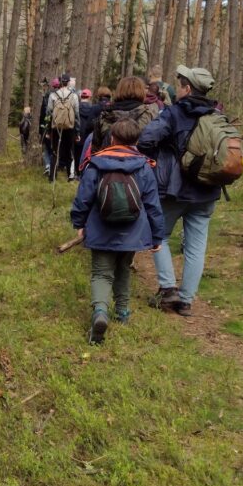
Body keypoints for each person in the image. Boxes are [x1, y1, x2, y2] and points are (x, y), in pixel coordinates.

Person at [137, 65, 230, 317]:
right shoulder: (217, 114)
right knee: (196, 246)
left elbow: (145, 140)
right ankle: (186, 300)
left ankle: (168, 289)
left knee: (159, 234)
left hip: (175, 191)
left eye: (179, 85)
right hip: (207, 191)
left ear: (187, 89)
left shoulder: (174, 113)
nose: (177, 89)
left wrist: (159, 158)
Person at [71, 118, 165, 343]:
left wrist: (79, 223)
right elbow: (153, 204)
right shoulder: (143, 166)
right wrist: (157, 235)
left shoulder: (96, 163)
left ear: (112, 138)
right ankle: (122, 312)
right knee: (123, 269)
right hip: (133, 232)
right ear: (136, 141)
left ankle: (100, 312)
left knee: (101, 273)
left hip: (100, 229)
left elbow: (83, 198)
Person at [92, 76, 156, 153]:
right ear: (141, 91)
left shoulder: (105, 114)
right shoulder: (149, 115)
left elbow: (95, 148)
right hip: (139, 159)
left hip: (107, 158)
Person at [46, 73, 80, 182]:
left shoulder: (53, 95)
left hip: (56, 127)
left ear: (60, 82)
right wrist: (77, 132)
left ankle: (52, 177)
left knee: (54, 151)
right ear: (68, 82)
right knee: (69, 151)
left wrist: (48, 130)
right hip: (69, 127)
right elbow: (76, 115)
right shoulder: (74, 96)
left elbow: (48, 113)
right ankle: (70, 176)